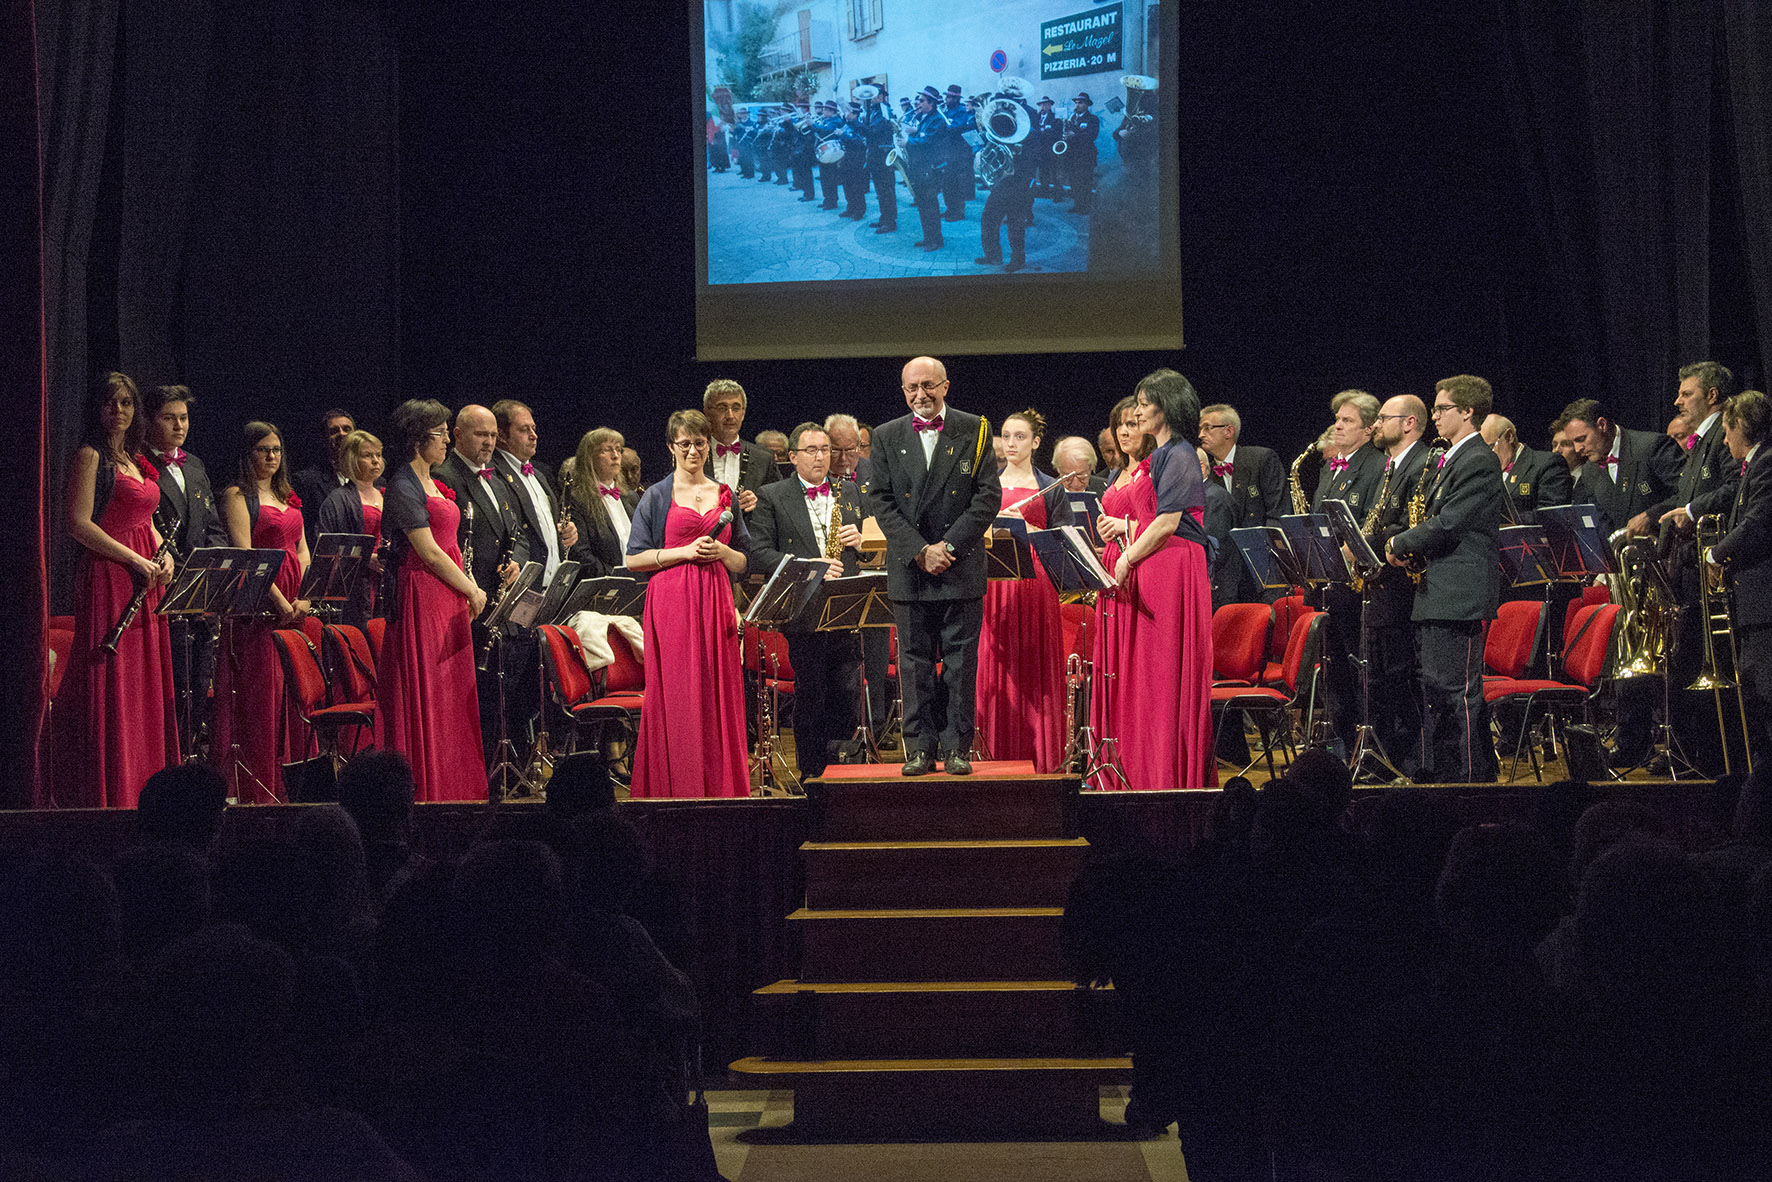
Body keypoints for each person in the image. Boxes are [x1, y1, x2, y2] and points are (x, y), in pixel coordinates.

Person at [866, 356, 1003, 775]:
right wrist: (920, 551)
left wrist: (948, 546)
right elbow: (881, 502)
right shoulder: (886, 435)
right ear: (903, 391)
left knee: (961, 665)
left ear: (945, 386)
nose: (921, 395)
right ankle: (919, 749)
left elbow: (987, 497)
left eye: (928, 386)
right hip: (911, 568)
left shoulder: (975, 427)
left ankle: (957, 747)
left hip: (960, 566)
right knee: (914, 663)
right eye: (912, 389)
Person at [54, 372, 179, 808]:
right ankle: (116, 791)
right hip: (112, 578)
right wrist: (133, 559)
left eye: (126, 404)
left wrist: (163, 558)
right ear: (98, 409)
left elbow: (148, 520)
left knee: (145, 683)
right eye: (110, 404)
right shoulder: (90, 456)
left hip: (147, 578)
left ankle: (150, 787)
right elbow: (78, 523)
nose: (119, 411)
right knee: (116, 683)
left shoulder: (135, 458)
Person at [625, 409, 751, 798]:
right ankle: (676, 784)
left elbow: (744, 561)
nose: (693, 450)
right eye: (685, 444)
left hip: (716, 600)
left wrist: (721, 553)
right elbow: (633, 559)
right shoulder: (657, 495)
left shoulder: (724, 493)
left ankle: (720, 785)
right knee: (678, 692)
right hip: (672, 602)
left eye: (700, 443)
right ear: (671, 447)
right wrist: (683, 552)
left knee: (717, 689)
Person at [1386, 375, 1504, 783]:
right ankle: (1443, 771)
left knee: (1458, 693)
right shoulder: (1451, 456)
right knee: (1436, 690)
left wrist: (1400, 541)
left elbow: (1450, 521)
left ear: (1467, 412)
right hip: (1438, 589)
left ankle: (1471, 779)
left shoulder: (1479, 460)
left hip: (1460, 593)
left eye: (1441, 409)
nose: (1433, 416)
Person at [373, 399, 488, 802]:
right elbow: (430, 552)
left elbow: (451, 546)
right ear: (419, 439)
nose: (445, 440)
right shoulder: (402, 485)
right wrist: (471, 589)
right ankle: (430, 783)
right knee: (430, 690)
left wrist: (469, 582)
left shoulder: (433, 482)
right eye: (440, 434)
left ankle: (456, 784)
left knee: (451, 693)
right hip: (423, 594)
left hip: (448, 592)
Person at [1109, 369, 1216, 789]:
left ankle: (1166, 771)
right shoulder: (1160, 454)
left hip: (1170, 568)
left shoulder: (1181, 452)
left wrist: (1127, 558)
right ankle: (1142, 766)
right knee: (1147, 675)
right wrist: (1127, 533)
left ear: (1166, 407)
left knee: (1163, 670)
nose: (1137, 411)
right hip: (1156, 564)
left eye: (1144, 403)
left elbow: (1170, 522)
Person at [747, 422, 867, 780]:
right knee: (812, 691)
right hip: (804, 608)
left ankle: (844, 770)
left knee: (847, 691)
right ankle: (812, 773)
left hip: (846, 605)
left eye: (826, 450)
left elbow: (869, 551)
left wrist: (862, 542)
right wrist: (808, 568)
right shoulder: (772, 495)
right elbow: (758, 552)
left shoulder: (850, 491)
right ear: (793, 457)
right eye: (812, 450)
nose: (821, 457)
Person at [213, 421, 311, 803]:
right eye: (262, 450)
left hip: (293, 603)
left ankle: (291, 784)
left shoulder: (288, 495)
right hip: (260, 605)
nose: (271, 457)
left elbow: (302, 550)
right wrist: (281, 603)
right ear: (247, 454)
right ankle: (258, 785)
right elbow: (246, 555)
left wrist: (302, 596)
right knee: (260, 696)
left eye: (276, 450)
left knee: (290, 691)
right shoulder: (238, 495)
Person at [978, 409, 1073, 772]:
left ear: (1035, 442)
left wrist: (1029, 529)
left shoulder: (1051, 485)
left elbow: (1063, 538)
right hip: (995, 583)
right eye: (1006, 436)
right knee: (997, 664)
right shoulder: (987, 484)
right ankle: (996, 755)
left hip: (1035, 583)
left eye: (1020, 437)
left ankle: (1042, 756)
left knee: (1035, 666)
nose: (1011, 443)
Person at [431, 404, 525, 759]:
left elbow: (517, 533)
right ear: (457, 435)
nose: (488, 443)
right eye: (480, 435)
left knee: (500, 694)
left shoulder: (497, 479)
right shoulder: (445, 476)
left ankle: (497, 765)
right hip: (467, 601)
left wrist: (515, 562)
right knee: (472, 696)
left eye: (491, 436)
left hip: (498, 603)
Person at [142, 382, 229, 755]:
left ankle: (194, 757)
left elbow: (212, 526)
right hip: (165, 588)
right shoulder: (140, 461)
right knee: (175, 687)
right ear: (148, 421)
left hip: (200, 591)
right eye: (170, 418)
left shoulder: (194, 465)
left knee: (199, 687)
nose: (180, 426)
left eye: (184, 418)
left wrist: (211, 570)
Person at [1313, 390, 1387, 759]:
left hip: (1359, 587)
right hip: (1329, 586)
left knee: (1361, 671)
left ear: (1370, 429)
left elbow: (1374, 522)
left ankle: (1366, 748)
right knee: (1333, 673)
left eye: (1347, 421)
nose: (1337, 426)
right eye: (1337, 419)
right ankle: (1338, 749)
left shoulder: (1377, 465)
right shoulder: (1330, 466)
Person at [1363, 394, 1433, 778]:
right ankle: (1390, 761)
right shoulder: (1390, 468)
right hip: (1383, 590)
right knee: (1384, 680)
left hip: (1406, 590)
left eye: (1383, 418)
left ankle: (1411, 763)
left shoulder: (1422, 464)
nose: (1376, 425)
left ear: (1408, 423)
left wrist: (1370, 542)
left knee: (1403, 680)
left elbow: (1408, 526)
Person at [1709, 390, 1772, 765]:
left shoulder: (1766, 462)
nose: (1725, 439)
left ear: (1740, 428)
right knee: (1757, 693)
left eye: (1726, 431)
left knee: (1765, 693)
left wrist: (1715, 553)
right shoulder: (1757, 462)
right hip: (1754, 605)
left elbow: (1759, 522)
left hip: (1764, 605)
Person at [1197, 401, 1288, 604]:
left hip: (1264, 571)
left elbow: (1277, 514)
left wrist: (1267, 563)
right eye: (1200, 429)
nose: (1200, 435)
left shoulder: (1261, 459)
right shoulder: (1207, 477)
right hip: (1228, 578)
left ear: (1229, 431)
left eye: (1208, 428)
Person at [1560, 396, 1683, 537]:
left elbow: (1687, 494)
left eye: (1581, 439)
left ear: (1602, 425)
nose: (1577, 449)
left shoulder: (1652, 446)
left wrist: (1651, 516)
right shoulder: (1589, 471)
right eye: (1572, 443)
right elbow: (1604, 525)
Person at [492, 399, 577, 586]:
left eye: (533, 428)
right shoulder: (493, 473)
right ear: (502, 435)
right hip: (520, 584)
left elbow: (548, 525)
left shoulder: (539, 474)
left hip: (551, 584)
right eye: (524, 430)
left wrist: (567, 531)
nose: (534, 436)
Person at [315, 429, 387, 626]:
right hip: (356, 588)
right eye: (367, 455)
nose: (376, 461)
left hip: (386, 583)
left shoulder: (385, 494)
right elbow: (326, 548)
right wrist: (365, 559)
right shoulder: (338, 499)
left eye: (378, 455)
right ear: (351, 459)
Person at [702, 378, 783, 515]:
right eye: (722, 408)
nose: (730, 415)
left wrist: (760, 502)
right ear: (707, 413)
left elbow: (780, 503)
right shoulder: (694, 455)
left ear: (743, 414)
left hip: (751, 534)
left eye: (736, 408)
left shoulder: (764, 458)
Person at [565, 428, 639, 577]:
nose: (616, 456)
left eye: (618, 450)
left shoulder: (631, 497)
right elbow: (581, 555)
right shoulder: (577, 499)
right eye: (607, 450)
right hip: (602, 589)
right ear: (589, 458)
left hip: (638, 585)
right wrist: (617, 578)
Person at [1480, 414, 1573, 525]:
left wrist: (1500, 522)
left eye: (1491, 447)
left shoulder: (1547, 463)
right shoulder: (1484, 473)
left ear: (1509, 436)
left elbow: (1552, 514)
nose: (1486, 455)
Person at [292, 407, 357, 550]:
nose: (342, 434)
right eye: (334, 431)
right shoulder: (306, 481)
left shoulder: (376, 482)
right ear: (323, 439)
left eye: (347, 429)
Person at [904, 88, 950, 252]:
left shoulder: (937, 119)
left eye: (922, 101)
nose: (918, 103)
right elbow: (921, 136)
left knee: (930, 205)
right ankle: (928, 237)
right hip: (921, 167)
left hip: (930, 168)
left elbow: (927, 140)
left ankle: (936, 240)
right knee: (923, 204)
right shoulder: (926, 118)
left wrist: (907, 142)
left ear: (931, 103)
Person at [861, 90, 898, 234]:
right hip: (875, 155)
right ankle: (884, 218)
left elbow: (873, 132)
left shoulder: (884, 110)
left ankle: (890, 222)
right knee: (880, 191)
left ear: (881, 97)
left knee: (886, 190)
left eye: (875, 95)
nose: (871, 98)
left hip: (882, 156)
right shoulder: (873, 111)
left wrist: (856, 124)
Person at [1060, 92, 1100, 213]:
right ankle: (1077, 205)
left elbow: (1092, 135)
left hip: (1085, 156)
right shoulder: (1071, 118)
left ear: (1087, 105)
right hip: (1072, 156)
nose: (1077, 105)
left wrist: (1074, 135)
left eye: (1080, 103)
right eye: (1076, 103)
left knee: (1085, 182)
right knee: (1074, 181)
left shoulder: (1092, 119)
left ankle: (1085, 207)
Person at [940, 84, 975, 219]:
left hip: (959, 153)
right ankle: (950, 208)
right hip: (947, 152)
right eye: (947, 97)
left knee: (957, 184)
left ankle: (959, 212)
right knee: (947, 184)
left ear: (956, 99)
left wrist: (942, 125)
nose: (947, 100)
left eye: (949, 97)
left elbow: (954, 128)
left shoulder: (961, 111)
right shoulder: (946, 111)